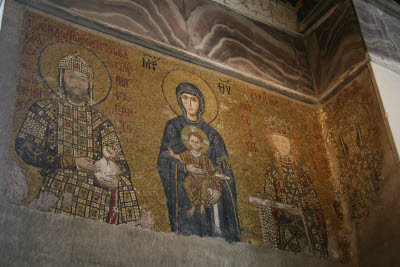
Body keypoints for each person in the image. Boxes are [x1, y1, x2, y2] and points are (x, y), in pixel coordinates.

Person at [15, 53, 140, 224]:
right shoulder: (44, 109)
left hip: (97, 187)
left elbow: (122, 163)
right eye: (71, 77)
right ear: (61, 78)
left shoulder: (100, 121)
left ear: (89, 84)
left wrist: (113, 177)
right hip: (59, 182)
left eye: (83, 79)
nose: (77, 83)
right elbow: (25, 147)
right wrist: (71, 161)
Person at [157, 82, 241, 242]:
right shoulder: (173, 126)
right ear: (179, 100)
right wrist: (184, 167)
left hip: (212, 198)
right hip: (185, 197)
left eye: (193, 99)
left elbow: (225, 172)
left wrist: (219, 190)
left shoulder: (213, 135)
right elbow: (164, 159)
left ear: (200, 103)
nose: (189, 103)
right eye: (185, 98)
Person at [262, 115, 328, 257]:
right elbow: (269, 200)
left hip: (307, 226)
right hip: (284, 225)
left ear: (291, 144)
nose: (282, 145)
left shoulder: (302, 174)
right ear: (273, 145)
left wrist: (305, 212)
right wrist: (283, 210)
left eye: (285, 141)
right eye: (278, 142)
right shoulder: (272, 171)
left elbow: (314, 204)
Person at [333, 115, 383, 223]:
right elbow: (340, 197)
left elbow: (383, 178)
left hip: (379, 205)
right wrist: (352, 187)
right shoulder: (344, 167)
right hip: (361, 214)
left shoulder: (371, 153)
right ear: (342, 140)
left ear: (358, 130)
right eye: (345, 134)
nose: (349, 136)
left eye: (351, 130)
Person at [167, 131, 229, 216]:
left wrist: (219, 175)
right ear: (189, 142)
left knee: (204, 184)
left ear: (201, 145)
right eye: (192, 141)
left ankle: (202, 205)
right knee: (186, 183)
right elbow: (179, 157)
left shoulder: (205, 158)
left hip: (204, 178)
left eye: (197, 142)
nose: (194, 144)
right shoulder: (187, 154)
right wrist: (173, 154)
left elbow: (212, 170)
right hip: (193, 177)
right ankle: (193, 205)